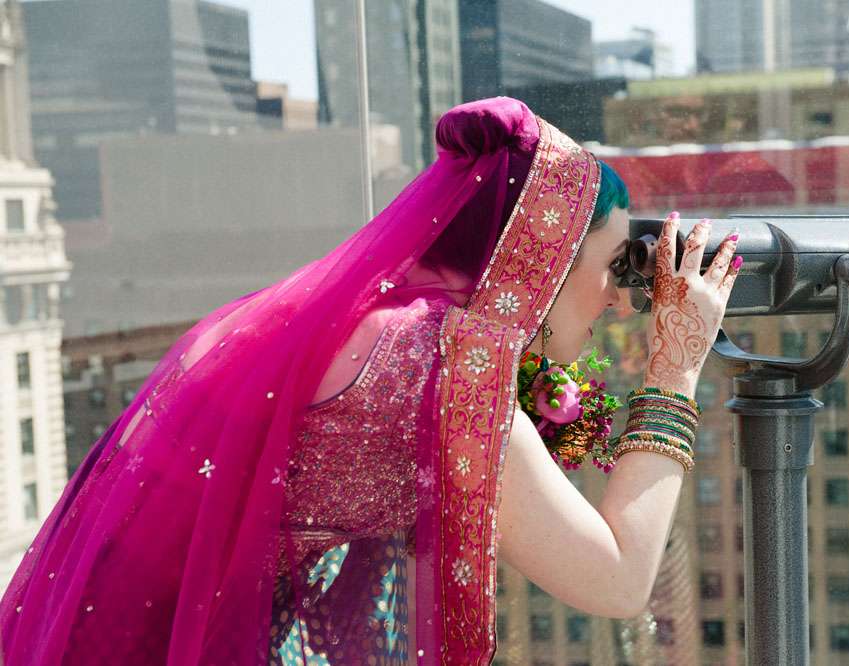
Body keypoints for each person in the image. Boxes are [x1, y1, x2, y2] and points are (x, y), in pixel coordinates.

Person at [0, 97, 740, 665]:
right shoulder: (442, 366)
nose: (620, 299)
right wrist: (675, 367)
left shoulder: (378, 318)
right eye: (613, 267)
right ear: (538, 259)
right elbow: (617, 582)